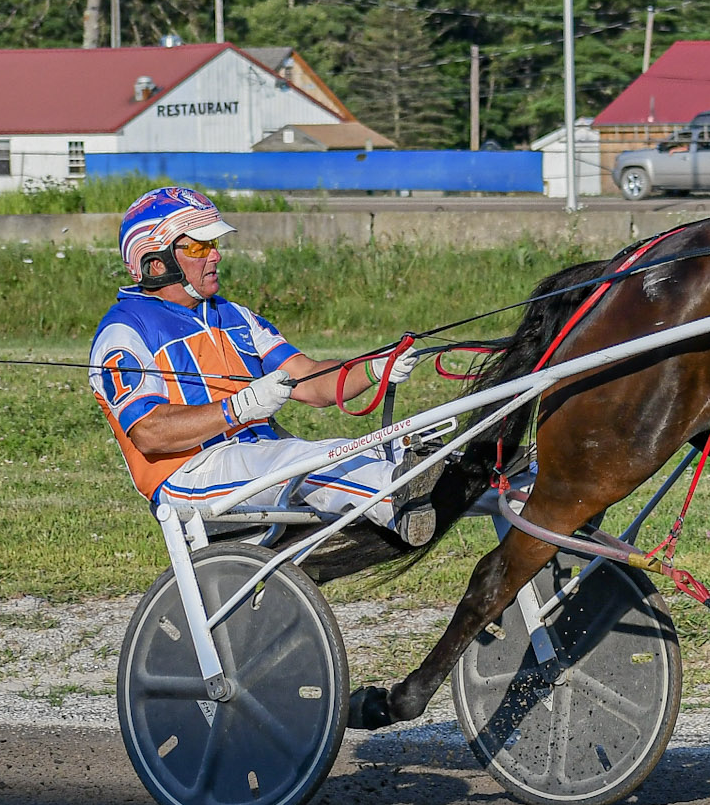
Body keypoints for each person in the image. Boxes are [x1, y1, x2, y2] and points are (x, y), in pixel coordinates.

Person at [90, 186, 444, 546]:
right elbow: (148, 433)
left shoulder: (234, 316)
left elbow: (310, 380)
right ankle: (397, 501)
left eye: (215, 245)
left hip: (257, 459)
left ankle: (454, 484)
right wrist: (237, 409)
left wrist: (374, 367)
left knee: (376, 448)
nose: (216, 257)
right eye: (199, 247)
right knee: (308, 459)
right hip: (190, 477)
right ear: (156, 262)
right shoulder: (125, 330)